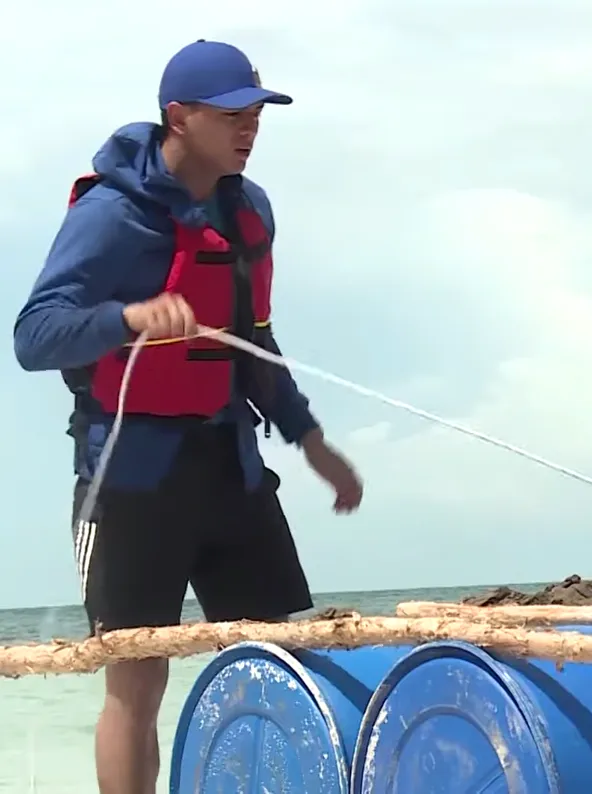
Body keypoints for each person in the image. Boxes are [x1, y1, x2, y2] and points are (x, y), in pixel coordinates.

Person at [12, 40, 364, 794]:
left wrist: (308, 438)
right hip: (131, 476)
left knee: (276, 661)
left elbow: (253, 340)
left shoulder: (250, 210)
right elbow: (33, 336)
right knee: (136, 681)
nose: (250, 129)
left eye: (257, 116)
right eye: (233, 114)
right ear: (180, 115)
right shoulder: (111, 215)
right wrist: (129, 316)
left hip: (228, 464)